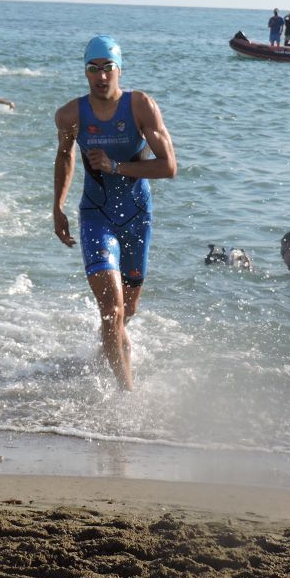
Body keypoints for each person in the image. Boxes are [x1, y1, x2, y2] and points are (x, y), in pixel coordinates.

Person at [53, 35, 177, 391]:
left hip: (137, 214)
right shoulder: (70, 115)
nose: (100, 76)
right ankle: (127, 391)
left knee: (127, 310)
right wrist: (57, 206)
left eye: (108, 68)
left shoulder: (140, 107)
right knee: (112, 309)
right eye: (93, 69)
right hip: (96, 215)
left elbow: (169, 167)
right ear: (86, 73)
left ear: (119, 71)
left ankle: (106, 346)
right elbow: (64, 157)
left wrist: (115, 166)